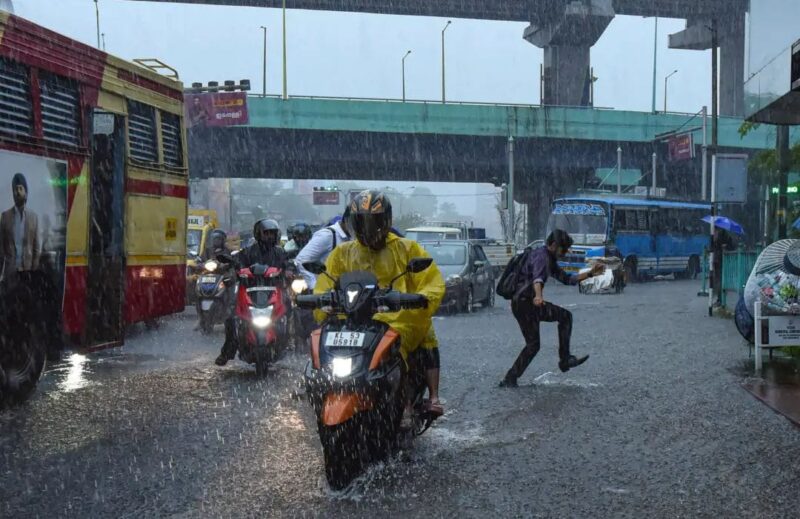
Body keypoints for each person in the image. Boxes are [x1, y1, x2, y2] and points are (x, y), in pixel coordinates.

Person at [314, 190, 445, 425]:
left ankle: (426, 398)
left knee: (426, 336)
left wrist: (421, 297)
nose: (367, 228)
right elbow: (327, 283)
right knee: (321, 340)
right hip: (353, 314)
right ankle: (318, 385)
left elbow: (431, 281)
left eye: (373, 222)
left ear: (386, 222)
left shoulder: (406, 248)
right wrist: (321, 301)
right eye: (361, 222)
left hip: (398, 314)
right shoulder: (343, 252)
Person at [499, 229, 604, 388]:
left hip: (524, 304)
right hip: (527, 303)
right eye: (564, 248)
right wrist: (538, 296)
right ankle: (564, 359)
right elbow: (537, 279)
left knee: (534, 344)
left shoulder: (548, 258)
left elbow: (567, 279)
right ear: (554, 245)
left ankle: (510, 378)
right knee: (564, 317)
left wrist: (590, 274)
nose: (566, 252)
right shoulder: (542, 257)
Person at [215, 218, 288, 366]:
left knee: (290, 309)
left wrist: (290, 272)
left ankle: (289, 341)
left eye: (272, 234)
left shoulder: (280, 253)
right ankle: (228, 351)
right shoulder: (248, 252)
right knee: (231, 318)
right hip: (250, 291)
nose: (270, 237)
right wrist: (231, 272)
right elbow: (236, 263)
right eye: (266, 233)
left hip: (273, 292)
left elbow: (289, 264)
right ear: (258, 234)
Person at [295, 206, 352, 290]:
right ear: (347, 220)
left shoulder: (354, 237)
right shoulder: (328, 235)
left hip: (349, 291)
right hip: (327, 294)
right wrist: (314, 286)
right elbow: (302, 259)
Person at [1, 173, 40, 277]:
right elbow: (1, 248)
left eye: (20, 188)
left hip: (27, 273)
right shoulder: (5, 216)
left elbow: (36, 249)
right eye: (15, 189)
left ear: (26, 193)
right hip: (10, 273)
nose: (17, 192)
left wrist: (33, 272)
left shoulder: (33, 217)